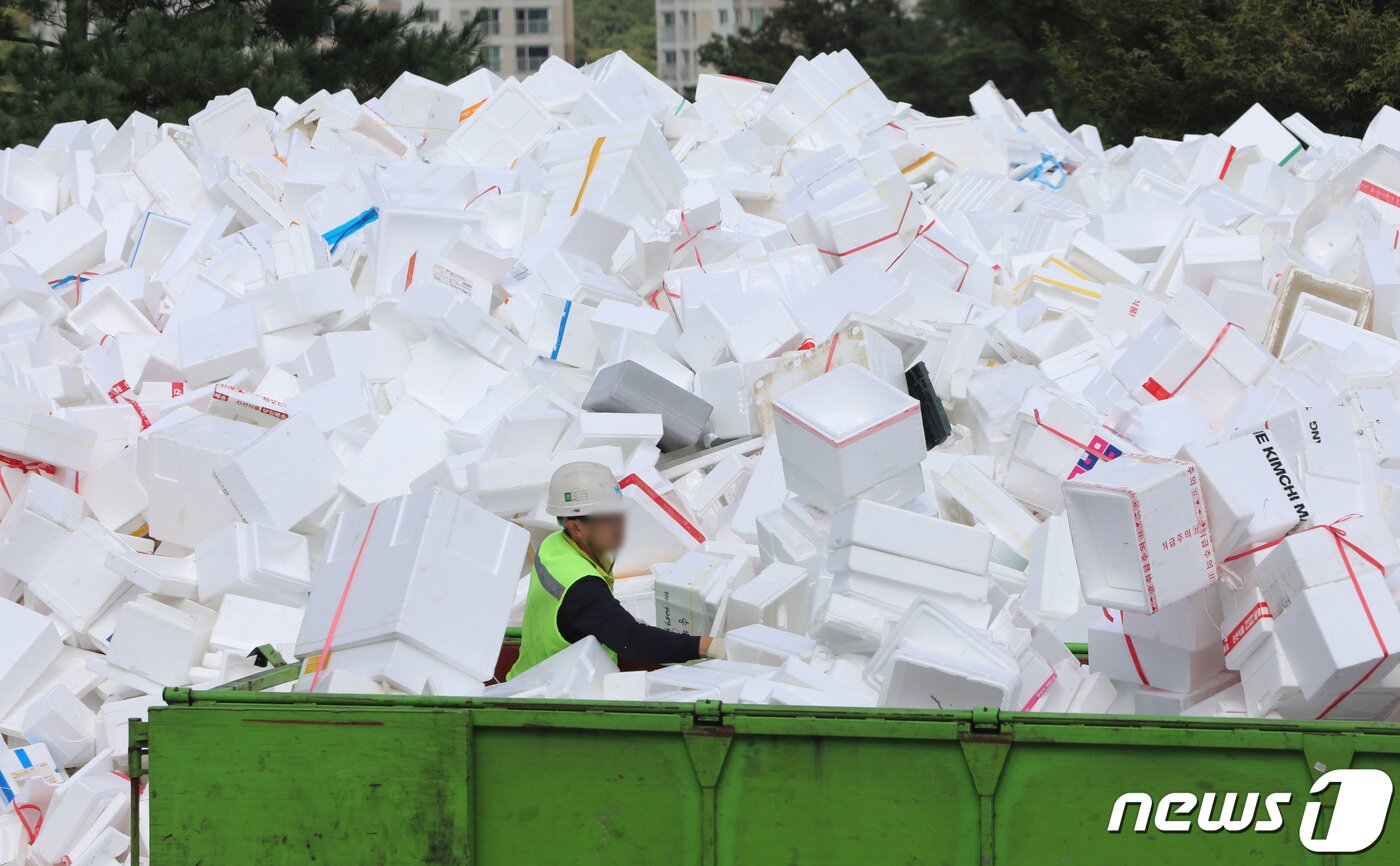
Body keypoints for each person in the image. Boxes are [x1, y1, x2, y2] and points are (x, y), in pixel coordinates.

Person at [508, 462, 720, 679]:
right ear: (576, 527)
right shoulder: (581, 585)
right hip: (553, 695)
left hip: (536, 676)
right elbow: (632, 642)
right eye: (608, 520)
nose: (620, 527)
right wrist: (708, 646)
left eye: (619, 516)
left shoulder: (554, 545)